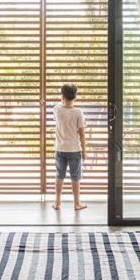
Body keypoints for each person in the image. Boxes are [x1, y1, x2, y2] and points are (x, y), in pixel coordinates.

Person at [52, 83, 87, 211]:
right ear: (75, 97)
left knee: (59, 175)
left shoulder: (57, 109)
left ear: (62, 97)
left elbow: (60, 106)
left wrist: (62, 100)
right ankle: (77, 203)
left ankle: (57, 203)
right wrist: (84, 150)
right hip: (74, 150)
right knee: (75, 176)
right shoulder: (78, 112)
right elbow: (82, 133)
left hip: (60, 149)